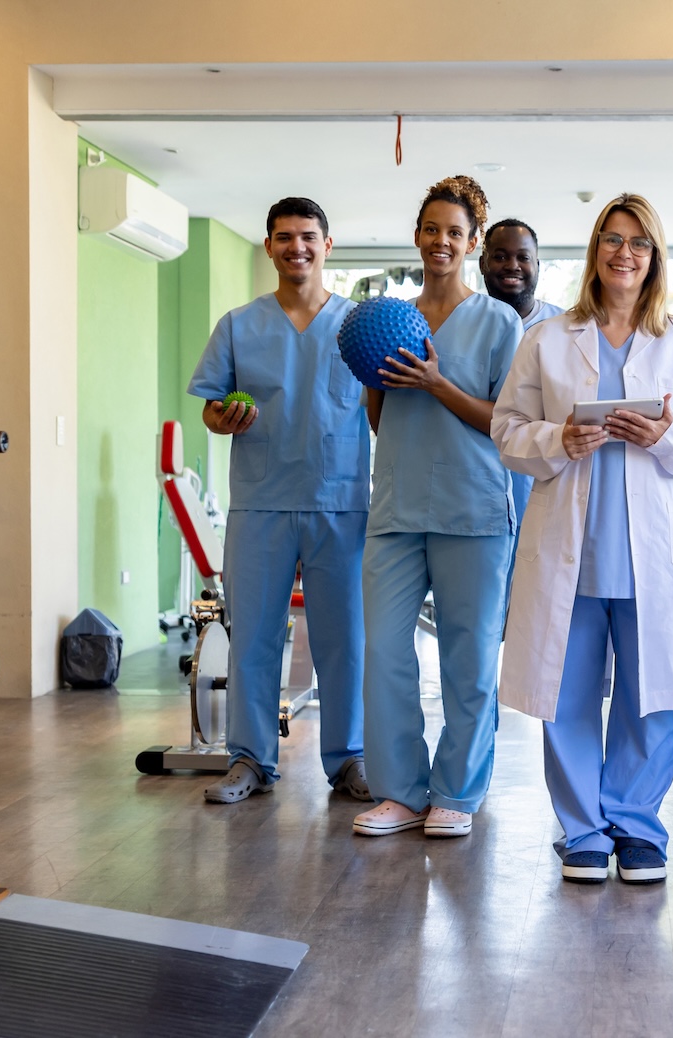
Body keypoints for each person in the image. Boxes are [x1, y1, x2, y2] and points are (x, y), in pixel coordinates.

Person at [493, 193, 673, 884]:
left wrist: (667, 437)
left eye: (638, 242)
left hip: (652, 556)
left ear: (654, 256)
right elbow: (508, 429)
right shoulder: (547, 339)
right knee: (566, 696)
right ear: (596, 250)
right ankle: (582, 832)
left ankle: (635, 826)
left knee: (650, 695)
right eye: (612, 238)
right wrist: (558, 437)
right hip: (572, 554)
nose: (623, 252)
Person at [351, 175, 522, 840]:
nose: (440, 242)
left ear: (473, 243)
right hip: (395, 508)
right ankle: (399, 790)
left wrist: (437, 382)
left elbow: (506, 423)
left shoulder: (499, 323)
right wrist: (383, 380)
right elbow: (380, 415)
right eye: (431, 230)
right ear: (416, 237)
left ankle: (456, 792)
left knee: (469, 660)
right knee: (385, 651)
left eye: (455, 232)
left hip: (474, 514)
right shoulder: (387, 318)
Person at [189, 197, 370, 805]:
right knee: (255, 638)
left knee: (342, 638)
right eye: (285, 237)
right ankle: (248, 759)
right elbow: (212, 409)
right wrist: (226, 418)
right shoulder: (239, 325)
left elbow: (385, 408)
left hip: (340, 501)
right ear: (268, 246)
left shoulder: (356, 324)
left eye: (308, 236)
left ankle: (348, 759)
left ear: (328, 244)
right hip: (262, 501)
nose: (298, 247)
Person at [481, 218, 565, 533]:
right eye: (500, 256)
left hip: (544, 487)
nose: (512, 265)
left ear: (537, 265)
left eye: (523, 257)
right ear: (482, 263)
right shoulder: (465, 325)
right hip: (475, 487)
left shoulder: (566, 329)